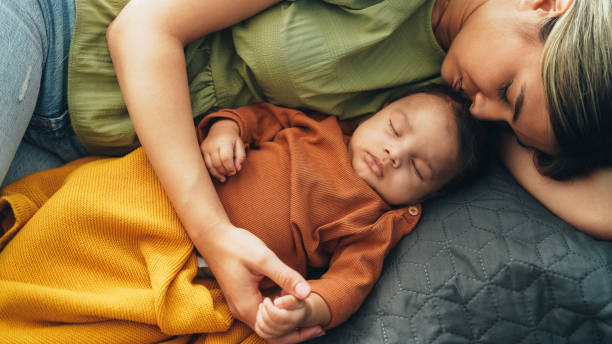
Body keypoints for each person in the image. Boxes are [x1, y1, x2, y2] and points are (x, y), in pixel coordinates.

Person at [1, 0, 610, 340]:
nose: (487, 108)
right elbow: (142, 29)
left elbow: (599, 207)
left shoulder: (455, 111)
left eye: (507, 119)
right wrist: (216, 235)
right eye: (509, 92)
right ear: (547, 2)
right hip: (51, 35)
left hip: (90, 160)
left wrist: (512, 113)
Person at [0, 86, 487, 342]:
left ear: (422, 197)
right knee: (77, 213)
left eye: (419, 168)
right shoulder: (317, 128)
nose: (393, 153)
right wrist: (224, 133)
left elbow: (350, 282)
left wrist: (306, 305)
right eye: (395, 128)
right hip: (157, 200)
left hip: (198, 268)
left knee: (120, 317)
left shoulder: (375, 221)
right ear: (376, 113)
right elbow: (253, 117)